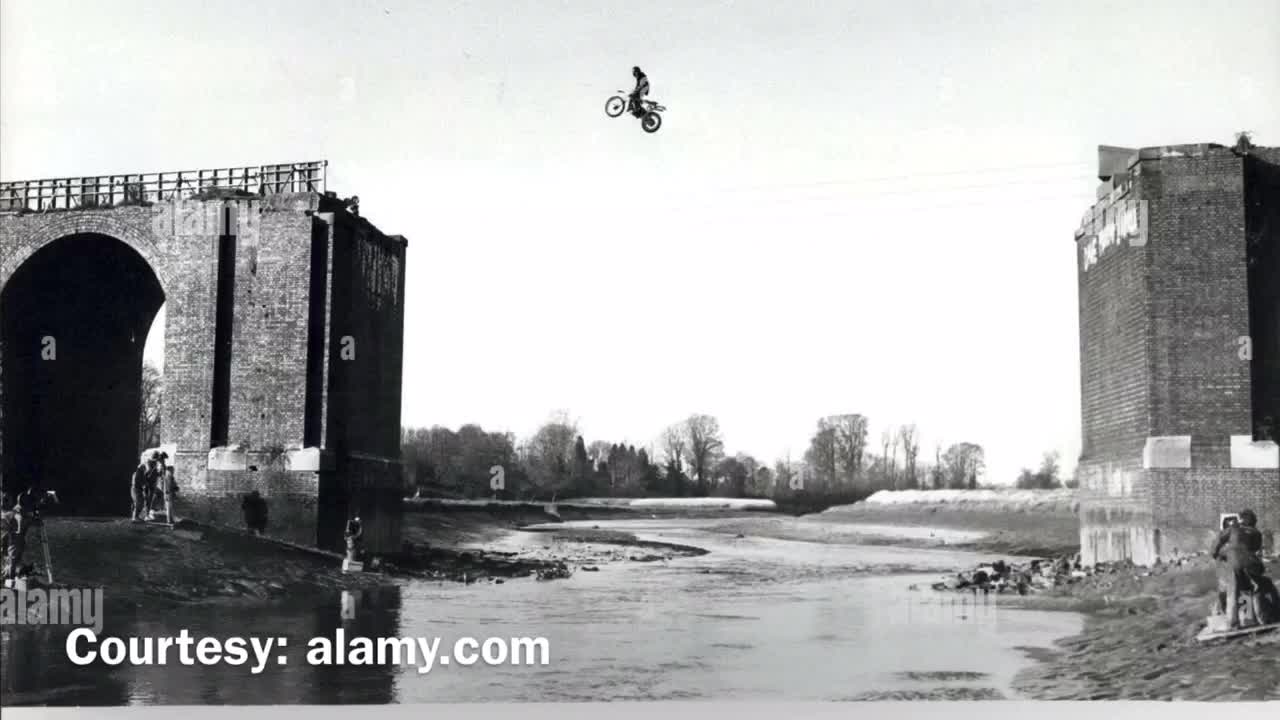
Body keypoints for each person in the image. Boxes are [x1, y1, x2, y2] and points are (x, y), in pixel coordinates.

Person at [1212, 508, 1268, 629]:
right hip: (1250, 562)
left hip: (1233, 563)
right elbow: (1255, 548)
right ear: (1253, 521)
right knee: (1254, 589)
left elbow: (1218, 540)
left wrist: (1215, 553)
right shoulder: (1256, 532)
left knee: (1233, 592)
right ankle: (1259, 619)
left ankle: (1233, 624)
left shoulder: (1232, 529)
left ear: (1241, 519)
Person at [131, 455, 155, 522]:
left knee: (140, 503)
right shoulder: (138, 472)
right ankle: (135, 517)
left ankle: (136, 517)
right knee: (139, 503)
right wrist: (144, 485)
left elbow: (144, 479)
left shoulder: (140, 472)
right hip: (136, 489)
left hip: (138, 489)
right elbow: (139, 481)